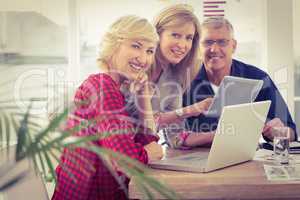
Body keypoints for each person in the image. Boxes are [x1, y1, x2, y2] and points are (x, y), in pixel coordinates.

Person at [52, 15, 163, 200]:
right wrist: (148, 153)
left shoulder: (113, 89)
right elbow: (125, 161)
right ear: (113, 45)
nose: (143, 58)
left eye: (150, 51)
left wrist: (143, 95)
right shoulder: (103, 87)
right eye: (136, 46)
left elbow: (147, 140)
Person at [183, 17, 297, 146]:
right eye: (208, 42)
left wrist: (279, 132)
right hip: (195, 159)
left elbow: (292, 133)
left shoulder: (258, 78)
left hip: (242, 158)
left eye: (222, 42)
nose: (214, 49)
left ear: (234, 46)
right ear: (198, 47)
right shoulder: (184, 79)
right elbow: (172, 136)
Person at [122, 4, 212, 148]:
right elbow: (136, 126)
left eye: (189, 38)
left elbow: (176, 137)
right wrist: (191, 110)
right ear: (157, 35)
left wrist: (216, 136)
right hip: (117, 156)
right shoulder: (132, 68)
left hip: (145, 158)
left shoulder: (174, 78)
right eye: (175, 35)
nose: (183, 45)